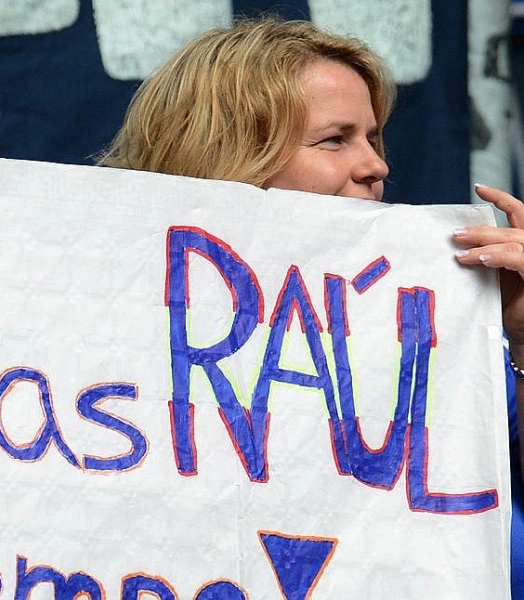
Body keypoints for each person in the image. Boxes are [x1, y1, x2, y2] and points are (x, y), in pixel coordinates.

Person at [98, 15, 524, 594]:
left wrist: (523, 338)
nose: (377, 165)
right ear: (230, 156)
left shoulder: (438, 338)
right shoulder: (100, 334)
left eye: (373, 138)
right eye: (335, 139)